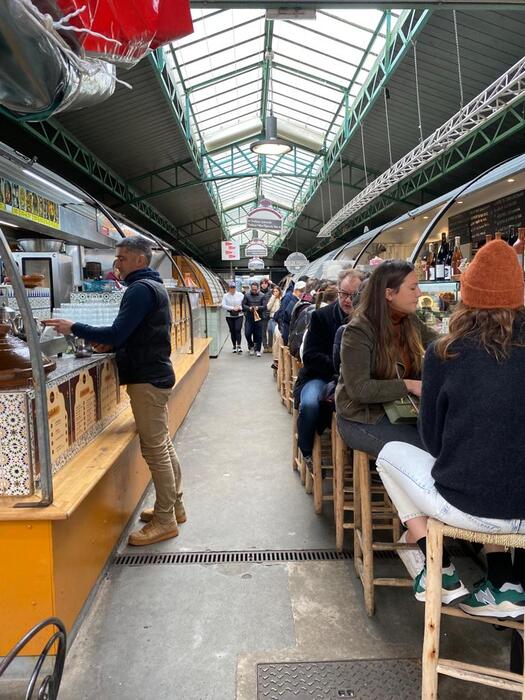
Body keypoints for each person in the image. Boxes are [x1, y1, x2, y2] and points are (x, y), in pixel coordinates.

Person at [376, 240, 525, 617]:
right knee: (497, 460)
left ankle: (438, 568)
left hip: (470, 509)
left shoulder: (446, 351)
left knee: (390, 455)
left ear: (466, 296)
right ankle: (504, 583)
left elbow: (432, 440)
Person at [43, 236, 185, 547]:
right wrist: (115, 341)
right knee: (162, 443)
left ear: (139, 260)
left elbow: (119, 331)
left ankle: (165, 520)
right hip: (155, 374)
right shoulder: (153, 286)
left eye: (121, 258)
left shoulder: (138, 290)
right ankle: (174, 506)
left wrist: (74, 327)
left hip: (147, 378)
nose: (115, 264)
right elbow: (131, 333)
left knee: (155, 449)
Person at [336, 260, 436, 458]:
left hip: (403, 410)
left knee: (446, 444)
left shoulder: (410, 321)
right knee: (424, 454)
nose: (419, 294)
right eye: (413, 287)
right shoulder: (359, 330)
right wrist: (409, 385)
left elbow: (440, 345)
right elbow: (359, 389)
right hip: (362, 418)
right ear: (389, 294)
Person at [294, 270, 363, 471]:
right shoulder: (320, 317)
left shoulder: (368, 319)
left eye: (353, 295)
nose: (347, 300)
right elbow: (309, 356)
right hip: (320, 377)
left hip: (354, 382)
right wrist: (340, 366)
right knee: (309, 404)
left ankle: (367, 462)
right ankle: (306, 450)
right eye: (343, 293)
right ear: (338, 290)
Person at [242, 281, 266, 356]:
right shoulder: (246, 295)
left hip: (259, 318)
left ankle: (258, 350)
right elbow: (243, 305)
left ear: (258, 288)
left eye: (255, 290)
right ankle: (251, 345)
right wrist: (249, 308)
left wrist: (257, 307)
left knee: (259, 335)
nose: (254, 291)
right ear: (251, 289)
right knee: (247, 333)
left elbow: (265, 306)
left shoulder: (262, 295)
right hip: (249, 317)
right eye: (253, 289)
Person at [280, 280, 306, 345]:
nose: (302, 293)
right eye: (301, 291)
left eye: (304, 291)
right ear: (295, 290)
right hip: (289, 332)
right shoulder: (291, 300)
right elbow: (286, 316)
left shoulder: (296, 300)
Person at [221, 281, 244, 353]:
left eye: (233, 287)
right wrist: (232, 308)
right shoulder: (225, 295)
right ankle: (234, 345)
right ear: (229, 288)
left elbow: (244, 303)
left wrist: (239, 307)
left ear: (235, 287)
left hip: (239, 315)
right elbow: (223, 305)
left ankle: (239, 345)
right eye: (231, 287)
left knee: (238, 329)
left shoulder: (240, 295)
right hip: (229, 316)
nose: (232, 289)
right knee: (232, 331)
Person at [266, 286, 281, 352]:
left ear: (279, 292)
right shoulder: (272, 298)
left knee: (275, 333)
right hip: (271, 317)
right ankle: (270, 346)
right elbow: (268, 307)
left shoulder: (281, 299)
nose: (275, 293)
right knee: (270, 332)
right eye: (274, 291)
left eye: (276, 291)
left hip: (277, 318)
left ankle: (276, 348)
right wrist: (273, 298)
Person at [259, 278, 272, 352]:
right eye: (262, 283)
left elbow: (280, 291)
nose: (264, 285)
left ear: (268, 284)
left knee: (270, 330)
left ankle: (270, 346)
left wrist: (272, 283)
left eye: (265, 283)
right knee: (263, 331)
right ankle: (265, 346)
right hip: (262, 314)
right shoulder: (258, 292)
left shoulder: (271, 292)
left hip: (270, 314)